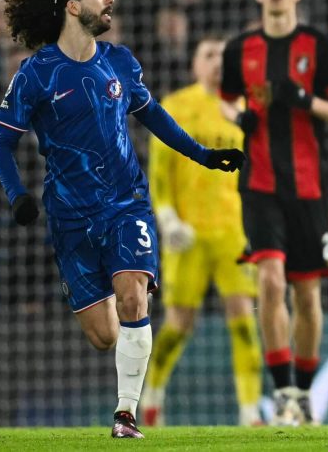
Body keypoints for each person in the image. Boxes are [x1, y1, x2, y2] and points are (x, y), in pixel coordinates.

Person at [0, 0, 244, 438]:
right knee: (105, 337)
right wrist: (17, 196)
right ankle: (108, 307)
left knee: (132, 296)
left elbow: (156, 118)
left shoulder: (120, 61)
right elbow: (1, 143)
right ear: (72, 5)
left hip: (127, 203)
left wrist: (206, 156)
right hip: (69, 216)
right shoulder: (35, 74)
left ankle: (125, 415)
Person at [221, 0, 328, 425]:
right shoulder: (239, 48)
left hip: (309, 187)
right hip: (258, 184)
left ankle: (303, 394)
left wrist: (305, 100)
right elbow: (224, 100)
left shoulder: (318, 49)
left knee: (306, 296)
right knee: (269, 280)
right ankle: (282, 391)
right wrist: (236, 118)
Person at [139, 35, 263, 427]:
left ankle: (250, 410)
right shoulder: (175, 107)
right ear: (194, 64)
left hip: (234, 232)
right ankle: (152, 399)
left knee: (243, 318)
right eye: (208, 55)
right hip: (187, 234)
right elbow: (159, 173)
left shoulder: (246, 109)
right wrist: (169, 219)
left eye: (223, 56)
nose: (216, 61)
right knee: (179, 323)